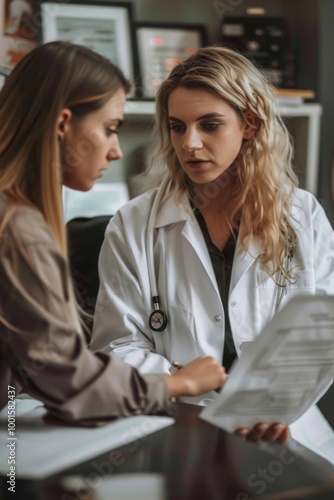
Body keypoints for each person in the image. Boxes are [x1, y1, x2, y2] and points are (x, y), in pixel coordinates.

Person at [0, 41, 229, 427]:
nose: (117, 151)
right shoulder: (19, 232)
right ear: (62, 124)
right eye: (109, 129)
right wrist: (177, 383)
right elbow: (72, 383)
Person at [90, 47, 334, 391]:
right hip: (176, 414)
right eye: (178, 127)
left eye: (210, 125)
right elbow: (116, 346)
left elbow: (320, 340)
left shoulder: (302, 216)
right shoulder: (132, 224)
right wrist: (181, 382)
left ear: (249, 124)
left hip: (281, 419)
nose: (189, 143)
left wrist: (266, 406)